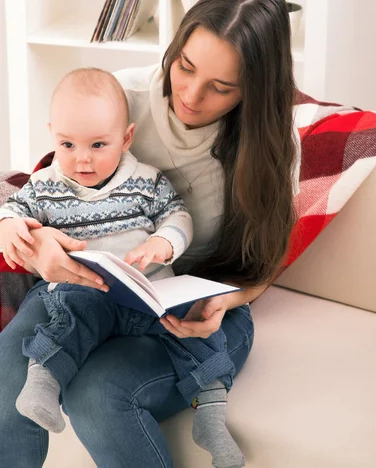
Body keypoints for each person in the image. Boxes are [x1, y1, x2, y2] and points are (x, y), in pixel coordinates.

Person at [0, 0, 300, 468]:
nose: (190, 94)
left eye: (220, 88)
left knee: (97, 397)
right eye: (185, 66)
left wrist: (228, 300)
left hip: (193, 304)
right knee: (8, 372)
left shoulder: (270, 144)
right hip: (86, 286)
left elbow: (262, 261)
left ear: (254, 89)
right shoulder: (122, 97)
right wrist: (40, 248)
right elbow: (46, 192)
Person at [0, 67, 245, 468]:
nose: (82, 158)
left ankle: (212, 417)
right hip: (85, 292)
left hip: (148, 294)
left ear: (126, 138)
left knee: (194, 334)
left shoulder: (146, 181)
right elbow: (13, 210)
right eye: (67, 143)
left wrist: (162, 243)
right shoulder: (46, 184)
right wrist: (9, 226)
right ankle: (42, 383)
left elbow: (177, 216)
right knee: (68, 321)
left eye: (98, 144)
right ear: (52, 134)